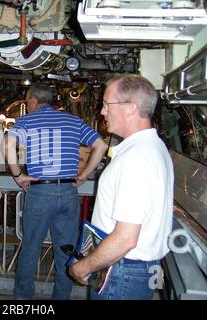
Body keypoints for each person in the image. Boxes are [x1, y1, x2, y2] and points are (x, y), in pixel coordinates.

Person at [69, 74, 174, 300]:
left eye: (107, 104)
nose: (102, 112)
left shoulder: (136, 159)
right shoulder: (152, 147)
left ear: (130, 108)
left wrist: (84, 266)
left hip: (121, 271)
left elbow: (125, 238)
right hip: (128, 269)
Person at [4, 83, 108, 299]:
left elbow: (8, 146)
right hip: (68, 193)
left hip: (40, 193)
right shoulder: (73, 121)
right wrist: (85, 174)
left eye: (27, 102)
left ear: (33, 100)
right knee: (65, 252)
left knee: (30, 249)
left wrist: (18, 175)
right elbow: (101, 145)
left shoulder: (26, 120)